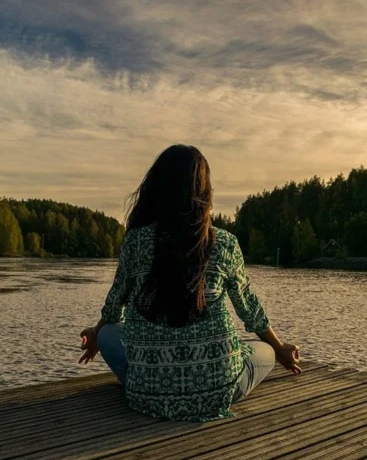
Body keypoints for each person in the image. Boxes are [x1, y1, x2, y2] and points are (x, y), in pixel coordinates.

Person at [78, 145, 302, 422]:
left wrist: (97, 333)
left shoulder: (135, 241)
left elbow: (115, 304)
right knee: (264, 349)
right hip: (217, 392)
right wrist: (279, 348)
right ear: (204, 193)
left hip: (147, 395)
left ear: (156, 188)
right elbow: (248, 309)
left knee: (110, 333)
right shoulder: (225, 243)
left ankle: (149, 379)